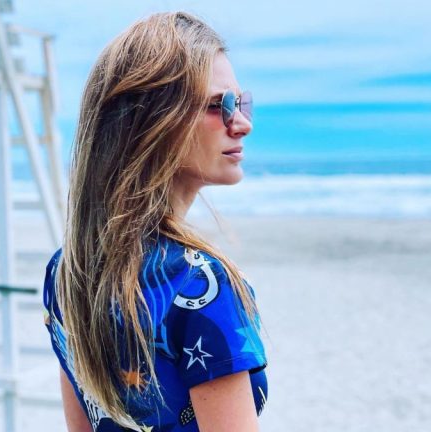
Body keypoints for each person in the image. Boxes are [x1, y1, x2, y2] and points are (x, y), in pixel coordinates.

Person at [42, 11, 267, 431]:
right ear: (154, 124)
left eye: (241, 103)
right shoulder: (201, 285)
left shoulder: (67, 270)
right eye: (219, 106)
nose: (242, 124)